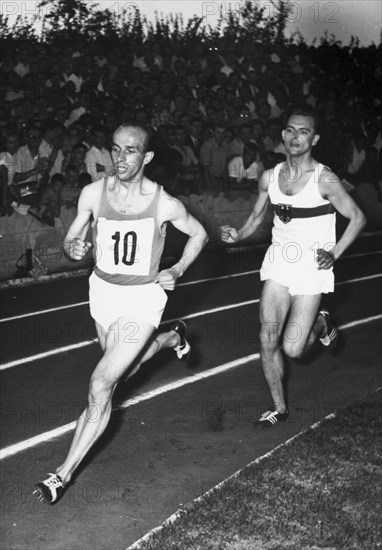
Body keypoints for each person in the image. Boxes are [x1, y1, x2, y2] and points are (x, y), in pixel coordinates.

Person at [34, 123, 208, 503]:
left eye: (130, 151)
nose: (120, 158)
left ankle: (61, 475)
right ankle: (170, 338)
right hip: (103, 294)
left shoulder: (163, 202)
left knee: (101, 384)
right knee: (124, 371)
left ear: (146, 157)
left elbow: (200, 234)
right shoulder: (94, 193)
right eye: (115, 149)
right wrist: (73, 248)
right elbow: (72, 238)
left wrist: (176, 270)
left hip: (142, 299)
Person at [221, 106, 366, 427]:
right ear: (283, 135)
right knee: (267, 338)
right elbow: (258, 216)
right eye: (290, 130)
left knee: (294, 348)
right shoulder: (269, 177)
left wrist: (335, 253)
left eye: (303, 131)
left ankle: (321, 324)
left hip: (312, 267)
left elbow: (357, 218)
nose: (295, 136)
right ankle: (279, 408)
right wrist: (238, 235)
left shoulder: (324, 178)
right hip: (278, 263)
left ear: (314, 138)